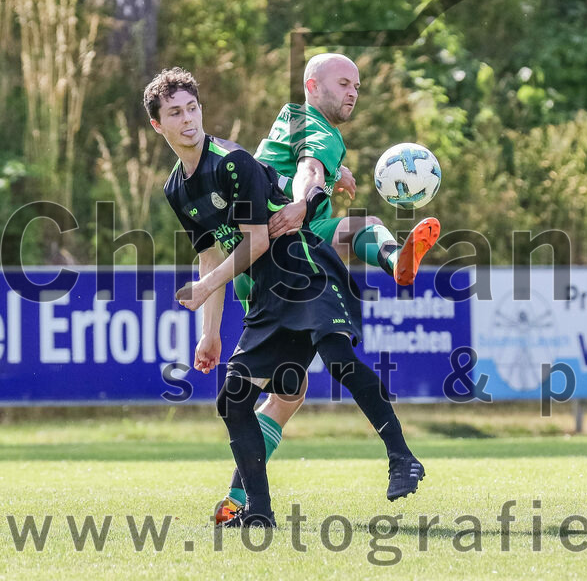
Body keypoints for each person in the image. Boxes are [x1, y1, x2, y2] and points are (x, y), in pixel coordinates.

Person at [146, 67, 426, 527]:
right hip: (262, 292)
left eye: (192, 108)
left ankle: (401, 457)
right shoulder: (177, 188)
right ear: (159, 125)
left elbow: (256, 239)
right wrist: (209, 333)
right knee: (236, 398)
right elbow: (210, 252)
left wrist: (207, 286)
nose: (187, 119)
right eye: (175, 113)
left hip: (297, 262)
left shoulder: (231, 161)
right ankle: (257, 513)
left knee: (336, 355)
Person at [214, 53, 440, 523]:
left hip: (260, 271)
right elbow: (310, 169)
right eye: (343, 82)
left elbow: (297, 163)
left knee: (286, 396)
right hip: (287, 264)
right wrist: (306, 197)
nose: (353, 91)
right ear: (313, 87)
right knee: (333, 357)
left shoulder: (288, 121)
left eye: (357, 84)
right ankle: (395, 260)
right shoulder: (320, 131)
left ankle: (240, 501)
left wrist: (330, 178)